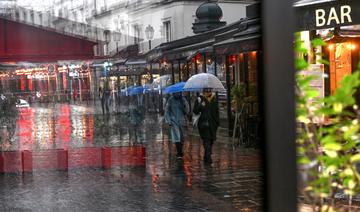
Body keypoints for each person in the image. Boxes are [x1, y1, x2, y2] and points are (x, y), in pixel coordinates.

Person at [193, 88, 220, 164]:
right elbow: (195, 111)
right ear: (203, 91)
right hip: (203, 124)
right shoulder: (199, 99)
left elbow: (216, 112)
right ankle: (209, 159)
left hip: (213, 125)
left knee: (211, 141)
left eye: (209, 90)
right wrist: (201, 105)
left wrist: (217, 123)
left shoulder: (214, 99)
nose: (208, 92)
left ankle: (206, 157)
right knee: (206, 141)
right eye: (206, 91)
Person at [164, 92, 189, 158]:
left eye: (179, 93)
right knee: (176, 137)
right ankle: (179, 153)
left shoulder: (183, 100)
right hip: (173, 121)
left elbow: (187, 111)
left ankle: (180, 150)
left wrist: (185, 104)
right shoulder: (170, 100)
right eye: (176, 93)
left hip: (182, 121)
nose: (177, 94)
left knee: (182, 138)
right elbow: (167, 111)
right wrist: (169, 121)